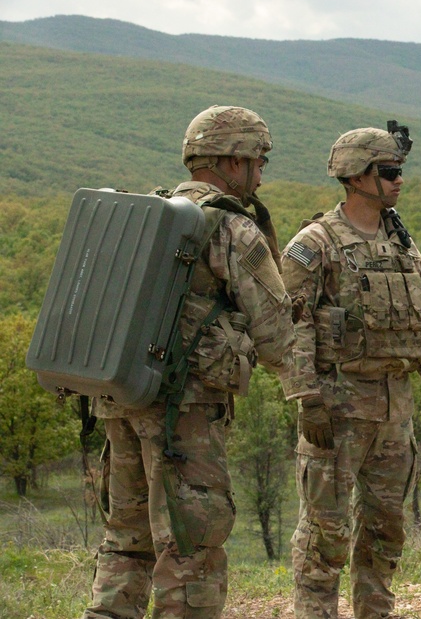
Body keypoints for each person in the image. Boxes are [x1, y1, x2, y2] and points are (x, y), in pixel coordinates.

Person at [83, 105, 294, 618]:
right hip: (186, 414)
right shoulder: (230, 227)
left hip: (119, 397)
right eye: (258, 161)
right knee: (192, 544)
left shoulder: (147, 213)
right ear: (231, 160)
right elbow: (276, 337)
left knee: (127, 538)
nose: (261, 174)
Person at [279, 122, 421, 619]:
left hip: (394, 406)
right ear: (356, 176)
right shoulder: (315, 243)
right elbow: (292, 323)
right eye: (389, 171)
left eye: (400, 170)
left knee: (385, 529)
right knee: (324, 534)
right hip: (337, 407)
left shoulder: (401, 242)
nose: (399, 180)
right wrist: (306, 397)